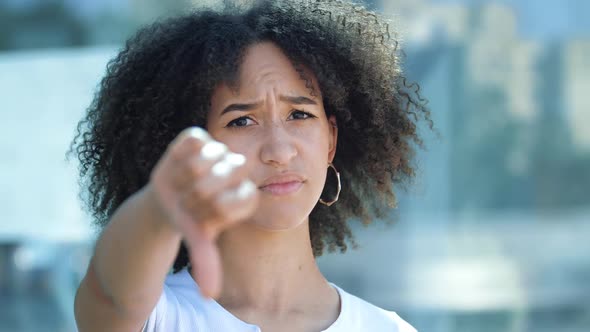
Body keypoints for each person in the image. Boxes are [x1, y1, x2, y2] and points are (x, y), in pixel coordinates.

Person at [69, 0, 431, 331]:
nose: (279, 150)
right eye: (241, 120)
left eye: (300, 114)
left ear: (331, 141)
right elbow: (108, 294)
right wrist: (156, 209)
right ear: (189, 147)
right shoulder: (156, 318)